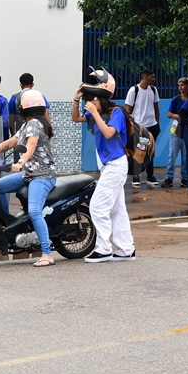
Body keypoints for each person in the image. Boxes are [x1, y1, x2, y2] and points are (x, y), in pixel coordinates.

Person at [0, 90, 57, 267]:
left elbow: (31, 145)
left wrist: (21, 161)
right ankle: (9, 224)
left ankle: (47, 253)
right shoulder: (29, 124)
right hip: (29, 174)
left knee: (34, 211)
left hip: (42, 176)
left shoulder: (34, 124)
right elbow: (11, 142)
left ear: (21, 108)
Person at [71, 71, 136, 263]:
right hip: (109, 167)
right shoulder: (96, 114)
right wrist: (76, 99)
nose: (89, 103)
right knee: (117, 210)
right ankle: (126, 249)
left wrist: (94, 113)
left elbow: (108, 133)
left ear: (101, 99)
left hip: (116, 165)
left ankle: (104, 248)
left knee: (98, 207)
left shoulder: (117, 113)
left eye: (92, 99)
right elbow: (75, 118)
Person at [124, 69, 161, 187]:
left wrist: (156, 123)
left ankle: (150, 176)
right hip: (139, 127)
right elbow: (128, 110)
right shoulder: (134, 90)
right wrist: (131, 127)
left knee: (150, 152)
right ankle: (136, 176)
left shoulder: (154, 90)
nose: (154, 79)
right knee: (139, 152)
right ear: (145, 77)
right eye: (152, 77)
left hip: (152, 126)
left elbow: (156, 107)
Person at [161, 77, 188, 188]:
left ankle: (185, 178)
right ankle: (169, 178)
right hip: (176, 131)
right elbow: (169, 114)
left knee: (186, 156)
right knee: (172, 156)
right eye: (179, 85)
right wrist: (180, 116)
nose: (180, 87)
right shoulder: (176, 99)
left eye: (182, 85)